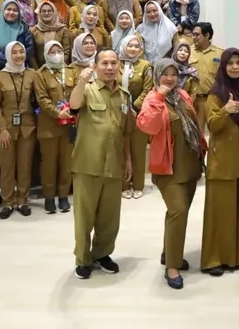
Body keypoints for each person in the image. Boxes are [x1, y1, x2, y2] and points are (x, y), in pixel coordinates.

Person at [136, 58, 208, 290]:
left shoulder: (183, 95)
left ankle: (169, 253)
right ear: (157, 75)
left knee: (178, 214)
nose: (169, 78)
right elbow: (147, 126)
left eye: (173, 74)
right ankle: (172, 267)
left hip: (190, 165)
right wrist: (159, 97)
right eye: (165, 74)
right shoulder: (152, 99)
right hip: (168, 168)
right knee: (178, 211)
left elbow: (194, 125)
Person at [69, 46, 132, 279]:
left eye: (113, 63)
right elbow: (74, 106)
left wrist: (128, 160)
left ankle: (102, 254)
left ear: (119, 66)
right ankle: (83, 259)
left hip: (114, 164)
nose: (109, 67)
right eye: (104, 63)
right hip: (88, 164)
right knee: (84, 217)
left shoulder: (124, 95)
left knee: (109, 218)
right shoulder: (87, 89)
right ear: (95, 66)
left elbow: (126, 131)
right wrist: (80, 82)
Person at [201, 48, 239, 275]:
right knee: (219, 214)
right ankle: (215, 259)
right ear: (223, 67)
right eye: (230, 63)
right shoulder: (215, 94)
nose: (235, 67)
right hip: (221, 162)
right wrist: (225, 110)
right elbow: (212, 125)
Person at [0, 41, 38, 219]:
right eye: (14, 52)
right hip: (6, 130)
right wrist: (1, 129)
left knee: (25, 166)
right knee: (7, 168)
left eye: (21, 52)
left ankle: (23, 200)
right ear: (8, 55)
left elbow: (39, 99)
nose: (19, 55)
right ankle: (8, 202)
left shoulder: (32, 74)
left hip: (27, 128)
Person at [34, 40, 77, 215]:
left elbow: (77, 93)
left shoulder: (71, 71)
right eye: (52, 52)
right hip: (49, 126)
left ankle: (63, 196)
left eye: (59, 51)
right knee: (49, 164)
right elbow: (42, 99)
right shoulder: (40, 74)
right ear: (46, 54)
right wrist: (58, 113)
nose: (56, 54)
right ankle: (49, 197)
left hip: (69, 125)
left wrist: (73, 111)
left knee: (67, 163)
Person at [117, 33, 154, 199]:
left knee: (138, 150)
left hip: (139, 114)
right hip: (118, 112)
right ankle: (124, 184)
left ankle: (138, 184)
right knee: (121, 150)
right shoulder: (116, 63)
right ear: (124, 46)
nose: (133, 49)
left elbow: (148, 89)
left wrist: (134, 107)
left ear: (141, 49)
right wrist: (123, 107)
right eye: (130, 45)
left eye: (136, 46)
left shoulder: (146, 65)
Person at [190, 22, 223, 135]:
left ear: (207, 35)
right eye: (193, 34)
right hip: (195, 101)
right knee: (197, 136)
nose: (194, 37)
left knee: (217, 133)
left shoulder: (219, 53)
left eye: (197, 34)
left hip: (213, 100)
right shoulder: (188, 52)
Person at [0, 0, 34, 67]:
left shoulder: (23, 29)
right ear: (3, 11)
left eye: (15, 10)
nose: (11, 12)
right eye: (8, 9)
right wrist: (7, 59)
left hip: (20, 66)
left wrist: (17, 58)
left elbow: (29, 49)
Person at [30, 1, 72, 68]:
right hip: (40, 69)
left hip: (60, 68)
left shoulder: (63, 29)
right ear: (39, 13)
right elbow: (31, 55)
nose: (46, 13)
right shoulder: (34, 30)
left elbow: (66, 52)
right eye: (43, 11)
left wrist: (59, 68)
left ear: (54, 12)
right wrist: (38, 71)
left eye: (49, 11)